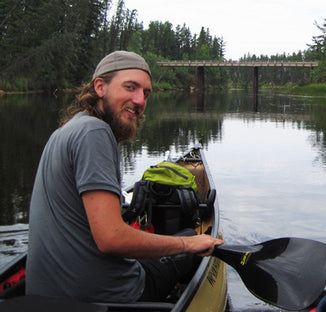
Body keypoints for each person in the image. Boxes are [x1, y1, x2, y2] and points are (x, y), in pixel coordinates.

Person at [26, 51, 224, 303]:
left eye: (146, 93)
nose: (140, 100)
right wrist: (189, 245)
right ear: (100, 86)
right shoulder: (94, 132)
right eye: (130, 87)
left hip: (45, 295)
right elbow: (112, 239)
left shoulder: (67, 129)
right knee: (188, 237)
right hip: (105, 294)